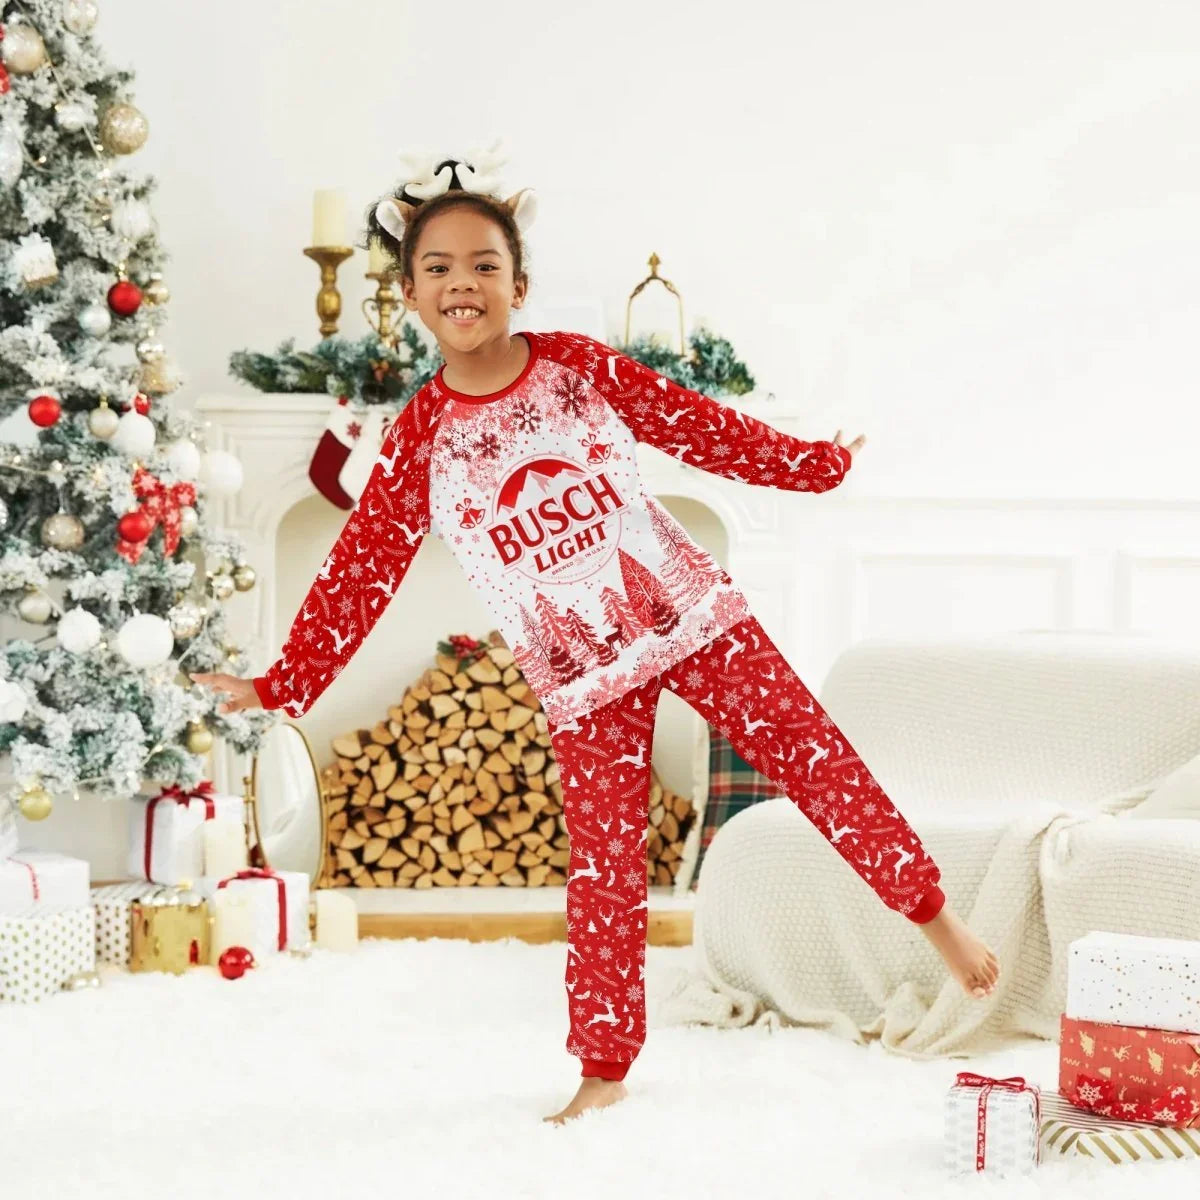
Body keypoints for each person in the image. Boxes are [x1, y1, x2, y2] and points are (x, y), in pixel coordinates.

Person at [192, 148, 999, 1125]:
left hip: (688, 615)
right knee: (605, 869)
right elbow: (359, 573)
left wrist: (819, 466)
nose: (463, 283)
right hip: (580, 672)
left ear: (519, 285)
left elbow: (704, 429)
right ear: (408, 293)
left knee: (815, 756)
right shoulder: (418, 439)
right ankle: (604, 1067)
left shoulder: (575, 368)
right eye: (438, 267)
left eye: (485, 264)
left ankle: (938, 922)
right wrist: (282, 685)